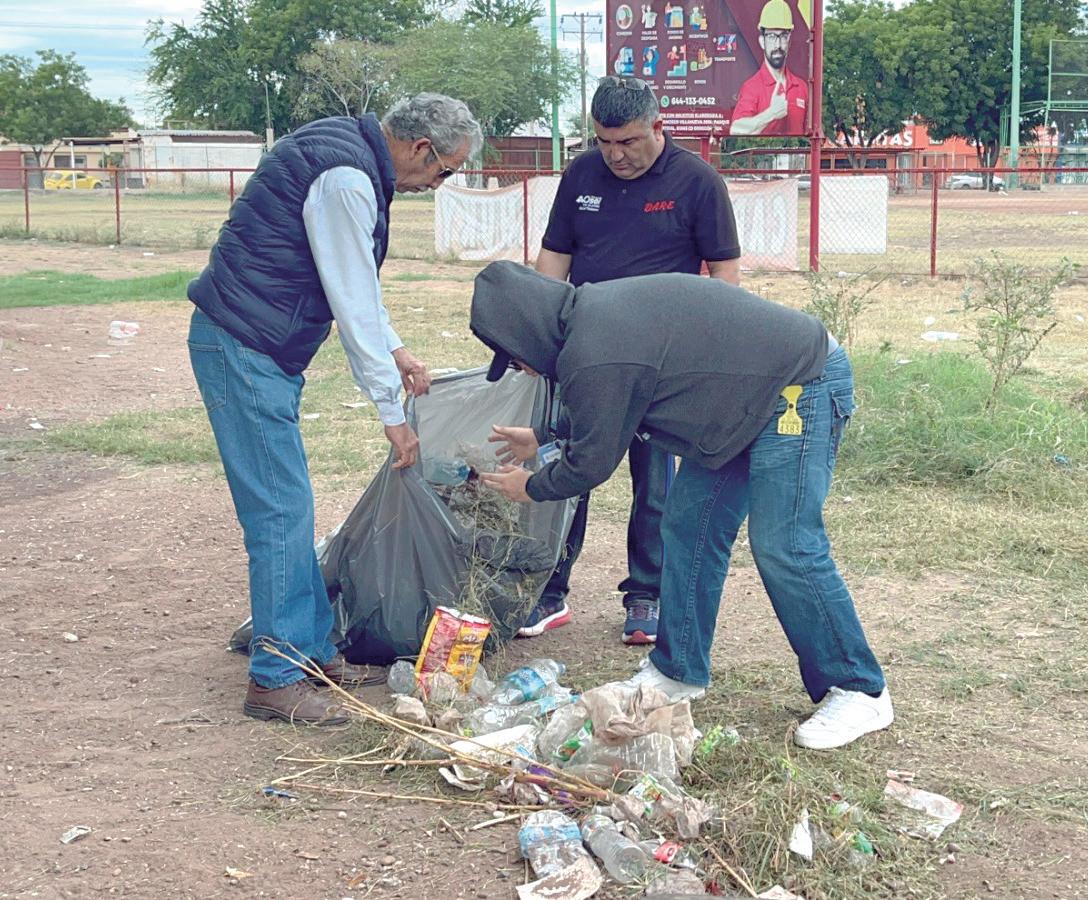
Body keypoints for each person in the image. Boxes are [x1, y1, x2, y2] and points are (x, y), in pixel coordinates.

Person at [472, 261, 893, 751]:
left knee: (786, 544)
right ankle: (677, 671)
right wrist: (544, 433)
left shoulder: (594, 347)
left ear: (527, 331)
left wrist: (532, 486)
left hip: (799, 384)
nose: (523, 367)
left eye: (515, 358)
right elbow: (619, 397)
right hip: (738, 404)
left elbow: (591, 462)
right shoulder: (591, 323)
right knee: (689, 526)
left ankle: (860, 689)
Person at [187, 95, 482, 726]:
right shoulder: (348, 178)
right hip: (244, 345)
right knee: (279, 510)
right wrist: (392, 415)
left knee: (288, 505)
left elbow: (356, 287)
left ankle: (310, 651)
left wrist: (397, 350)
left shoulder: (347, 150)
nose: (438, 184)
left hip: (256, 345)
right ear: (421, 148)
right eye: (445, 170)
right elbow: (350, 301)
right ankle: (275, 678)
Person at [525, 75, 741, 646]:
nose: (615, 155)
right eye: (604, 141)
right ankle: (548, 589)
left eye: (628, 142)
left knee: (655, 484)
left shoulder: (698, 182)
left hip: (660, 365)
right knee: (566, 467)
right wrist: (538, 334)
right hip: (585, 357)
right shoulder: (580, 176)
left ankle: (646, 593)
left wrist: (705, 349)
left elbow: (724, 273)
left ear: (658, 127)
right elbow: (554, 259)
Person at [729, 0, 809, 136]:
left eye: (783, 36)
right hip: (763, 151)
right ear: (762, 41)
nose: (778, 45)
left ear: (789, 41)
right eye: (771, 36)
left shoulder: (801, 87)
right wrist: (771, 113)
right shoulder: (752, 87)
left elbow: (810, 135)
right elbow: (736, 130)